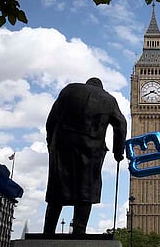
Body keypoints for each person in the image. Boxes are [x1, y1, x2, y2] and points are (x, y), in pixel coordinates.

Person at [43, 77, 127, 234]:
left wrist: (51, 143)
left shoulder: (69, 90)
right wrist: (118, 151)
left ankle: (48, 232)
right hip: (91, 150)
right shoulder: (109, 99)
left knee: (57, 190)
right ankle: (79, 231)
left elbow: (51, 120)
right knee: (86, 190)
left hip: (62, 146)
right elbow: (121, 124)